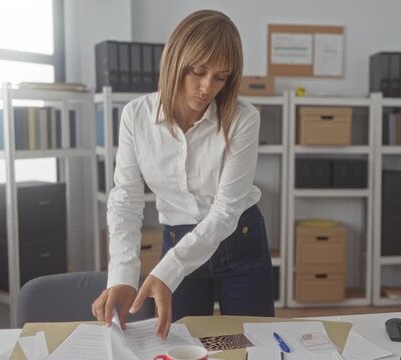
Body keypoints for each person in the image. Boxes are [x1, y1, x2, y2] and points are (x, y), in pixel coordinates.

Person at [91, 9, 274, 338]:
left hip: (239, 237)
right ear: (175, 61)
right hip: (177, 239)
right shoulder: (136, 116)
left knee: (254, 345)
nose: (207, 88)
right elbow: (126, 201)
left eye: (220, 77)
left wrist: (168, 270)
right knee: (180, 345)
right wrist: (122, 276)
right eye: (198, 72)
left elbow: (226, 209)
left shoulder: (243, 118)